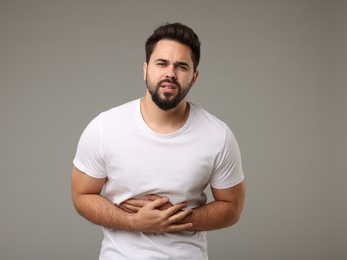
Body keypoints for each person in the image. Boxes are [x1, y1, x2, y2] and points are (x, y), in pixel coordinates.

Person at [71, 22, 246, 260]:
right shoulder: (105, 127)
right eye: (161, 63)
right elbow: (81, 196)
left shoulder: (218, 136)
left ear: (194, 77)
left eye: (181, 66)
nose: (170, 74)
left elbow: (232, 207)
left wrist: (174, 219)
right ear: (145, 69)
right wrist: (133, 221)